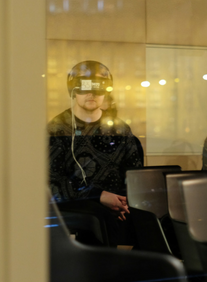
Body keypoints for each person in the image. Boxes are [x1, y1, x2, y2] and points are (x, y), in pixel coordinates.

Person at [48, 60, 143, 246]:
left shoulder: (119, 129)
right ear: (73, 90)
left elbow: (134, 174)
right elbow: (51, 182)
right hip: (79, 208)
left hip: (116, 208)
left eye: (98, 87)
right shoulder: (57, 129)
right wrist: (99, 196)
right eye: (85, 86)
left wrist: (120, 203)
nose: (91, 93)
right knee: (98, 217)